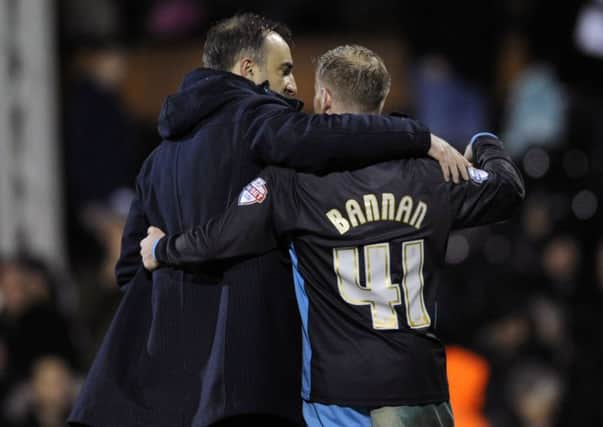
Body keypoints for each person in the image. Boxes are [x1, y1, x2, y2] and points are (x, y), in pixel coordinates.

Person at [68, 14, 469, 427]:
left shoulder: (157, 160)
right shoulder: (255, 118)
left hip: (177, 396)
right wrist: (418, 138)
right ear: (248, 70)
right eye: (284, 70)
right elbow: (332, 138)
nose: (294, 86)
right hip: (253, 382)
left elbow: (131, 268)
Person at [140, 45, 525, 427]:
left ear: (324, 98)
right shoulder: (430, 173)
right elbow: (508, 189)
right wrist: (483, 142)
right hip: (423, 392)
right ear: (382, 98)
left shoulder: (295, 180)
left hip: (343, 399)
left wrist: (163, 247)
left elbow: (221, 237)